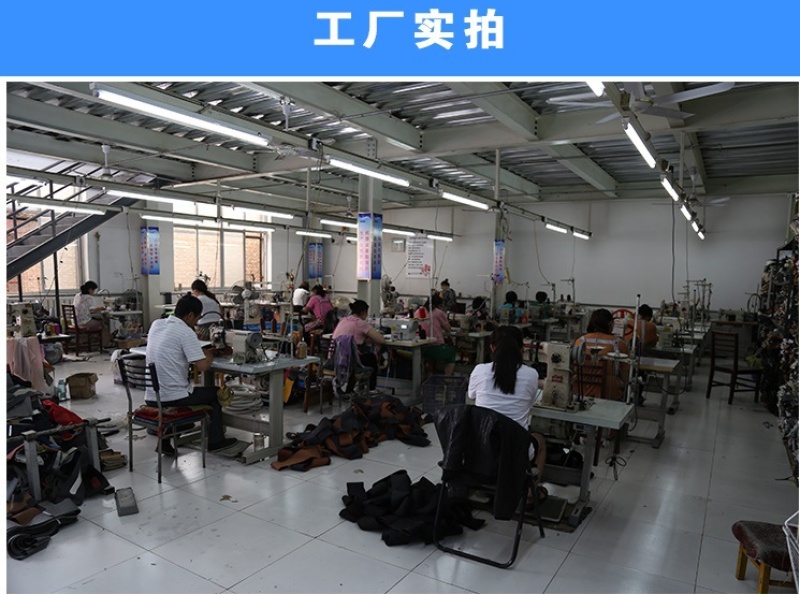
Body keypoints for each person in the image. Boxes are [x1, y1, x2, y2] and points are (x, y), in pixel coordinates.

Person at [145, 294, 237, 454]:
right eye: (197, 318)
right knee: (215, 394)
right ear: (189, 315)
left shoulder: (157, 324)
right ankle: (216, 441)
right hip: (174, 398)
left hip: (152, 397)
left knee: (188, 391)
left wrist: (200, 351)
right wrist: (210, 354)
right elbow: (203, 366)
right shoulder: (185, 331)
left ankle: (165, 443)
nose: (198, 322)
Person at [467, 325, 547, 497]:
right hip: (514, 450)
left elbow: (471, 396)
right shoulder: (531, 374)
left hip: (481, 447)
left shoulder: (479, 370)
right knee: (540, 441)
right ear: (522, 348)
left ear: (492, 347)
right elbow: (530, 404)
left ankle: (485, 486)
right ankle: (530, 494)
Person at [573, 308, 629, 400]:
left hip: (581, 390)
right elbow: (625, 375)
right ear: (610, 324)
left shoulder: (580, 341)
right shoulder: (620, 344)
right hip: (610, 393)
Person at [331, 299, 386, 391]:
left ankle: (355, 389)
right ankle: (371, 389)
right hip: (351, 361)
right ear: (364, 312)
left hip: (336, 358)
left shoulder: (343, 320)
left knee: (362, 356)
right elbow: (381, 340)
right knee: (371, 357)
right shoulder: (361, 323)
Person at [418, 294, 457, 375]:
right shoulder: (438, 312)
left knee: (430, 357)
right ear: (439, 305)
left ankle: (430, 375)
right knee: (452, 353)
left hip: (420, 348)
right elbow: (448, 329)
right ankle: (447, 378)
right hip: (434, 347)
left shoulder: (418, 311)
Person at [72, 281, 112, 347]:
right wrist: (101, 308)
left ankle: (101, 342)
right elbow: (92, 310)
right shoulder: (88, 297)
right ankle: (106, 344)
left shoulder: (78, 295)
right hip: (84, 323)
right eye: (93, 290)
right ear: (90, 289)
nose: (94, 292)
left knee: (100, 321)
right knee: (104, 323)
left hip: (76, 321)